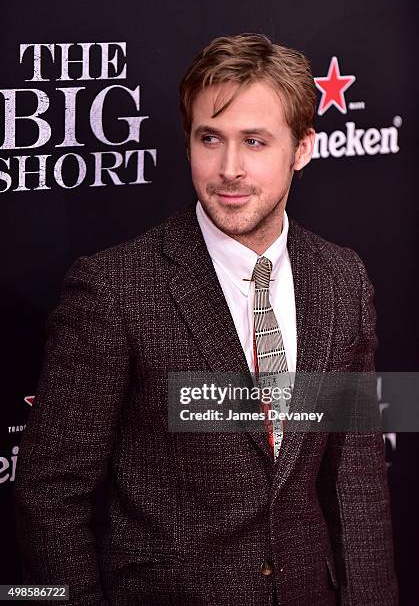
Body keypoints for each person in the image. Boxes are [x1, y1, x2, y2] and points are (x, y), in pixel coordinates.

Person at [14, 33, 398, 605]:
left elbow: (357, 479)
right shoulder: (116, 286)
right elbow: (50, 496)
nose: (229, 169)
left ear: (302, 149)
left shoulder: (342, 279)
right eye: (210, 139)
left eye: (256, 142)